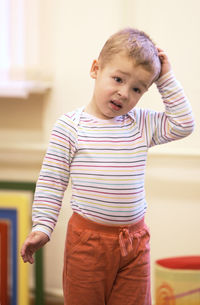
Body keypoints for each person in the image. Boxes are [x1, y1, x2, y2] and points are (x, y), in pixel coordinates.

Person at [21, 28, 195, 305]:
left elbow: (183, 124)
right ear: (95, 69)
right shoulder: (70, 127)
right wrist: (43, 225)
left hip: (134, 242)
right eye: (117, 79)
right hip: (87, 244)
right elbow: (52, 181)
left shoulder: (141, 123)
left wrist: (166, 78)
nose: (124, 93)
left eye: (137, 88)